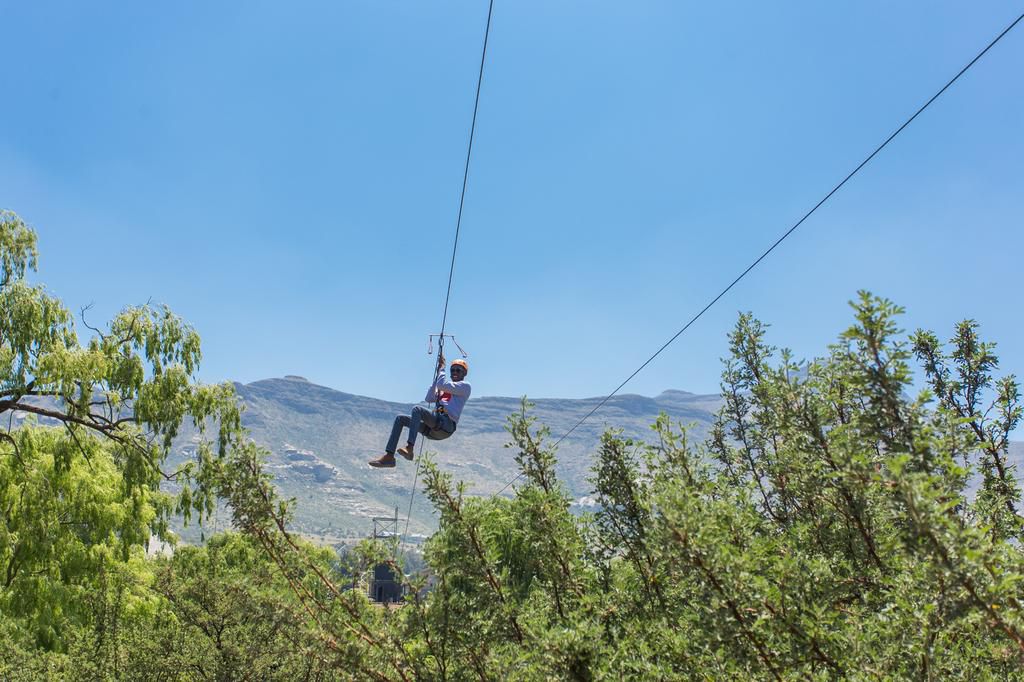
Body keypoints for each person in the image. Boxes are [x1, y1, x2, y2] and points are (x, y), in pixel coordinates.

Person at [368, 355, 471, 468]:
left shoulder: (465, 387)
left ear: (464, 373)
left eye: (458, 370)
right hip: (434, 428)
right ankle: (389, 457)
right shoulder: (444, 390)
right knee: (400, 419)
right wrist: (437, 377)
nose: (455, 372)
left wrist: (442, 369)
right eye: (453, 370)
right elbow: (429, 397)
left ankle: (410, 448)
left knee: (417, 409)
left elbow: (442, 385)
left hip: (446, 425)